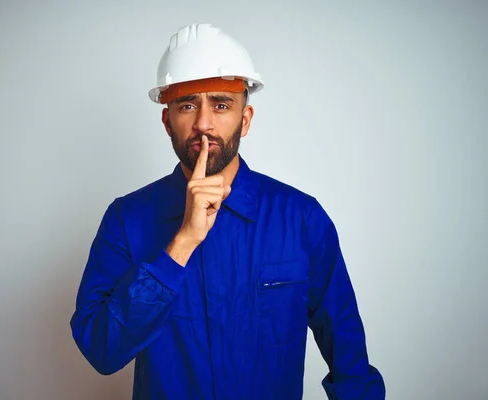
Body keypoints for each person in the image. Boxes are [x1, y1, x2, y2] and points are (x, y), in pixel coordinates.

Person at [70, 23, 385, 400]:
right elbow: (102, 349)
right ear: (167, 120)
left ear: (245, 119)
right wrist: (182, 244)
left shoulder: (301, 219)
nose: (204, 123)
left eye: (221, 104)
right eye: (187, 105)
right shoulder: (126, 219)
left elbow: (350, 363)